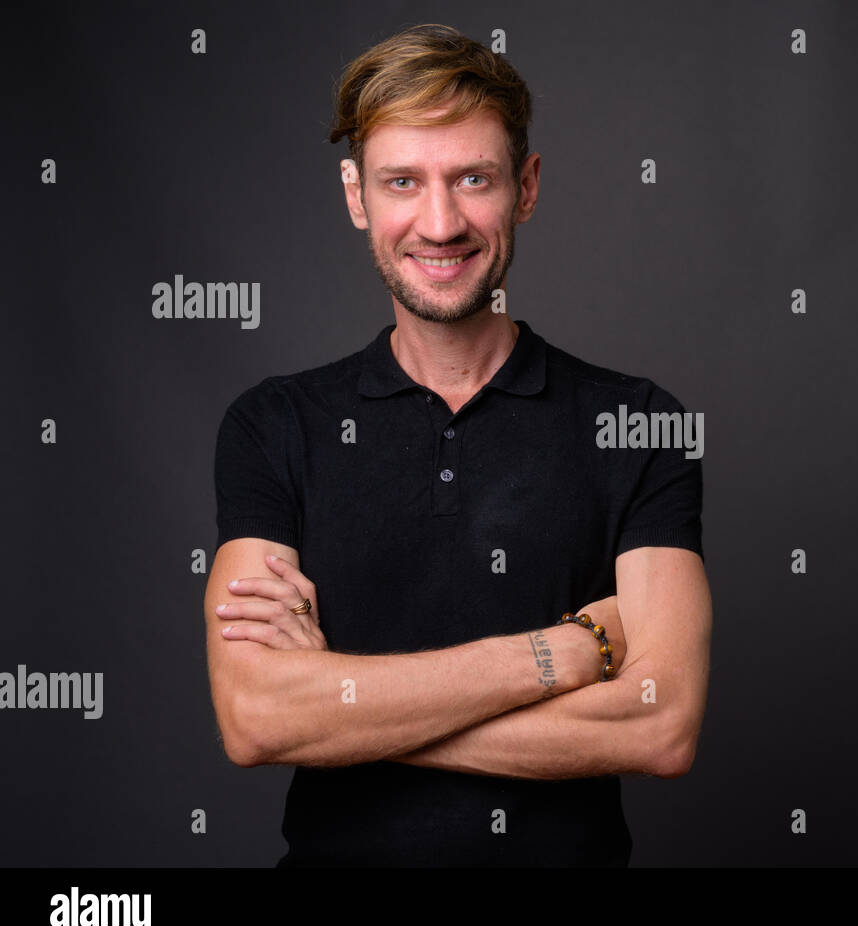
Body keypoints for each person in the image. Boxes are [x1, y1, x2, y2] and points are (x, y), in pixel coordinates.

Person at [203, 23, 712, 866]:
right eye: (402, 181)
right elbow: (255, 718)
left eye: (473, 178)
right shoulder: (273, 426)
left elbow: (661, 725)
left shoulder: (642, 422)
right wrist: (568, 653)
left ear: (527, 187)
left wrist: (342, 707)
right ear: (356, 194)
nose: (439, 223)